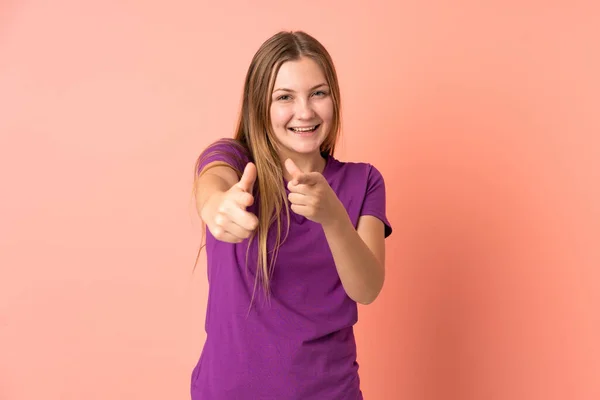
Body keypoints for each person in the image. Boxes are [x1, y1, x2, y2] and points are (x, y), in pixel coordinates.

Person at [190, 30, 392, 400]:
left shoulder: (363, 181)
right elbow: (212, 181)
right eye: (284, 97)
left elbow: (367, 288)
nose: (305, 112)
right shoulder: (235, 161)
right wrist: (216, 205)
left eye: (319, 93)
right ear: (259, 106)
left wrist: (332, 217)